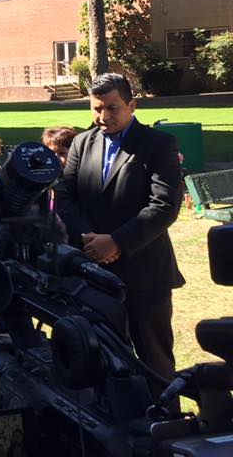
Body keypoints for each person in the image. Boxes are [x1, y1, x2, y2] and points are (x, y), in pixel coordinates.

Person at [55, 73, 184, 383]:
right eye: (97, 108)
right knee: (103, 361)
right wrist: (91, 241)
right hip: (92, 273)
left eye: (112, 108)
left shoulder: (158, 144)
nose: (103, 116)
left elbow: (164, 205)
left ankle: (162, 412)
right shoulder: (82, 143)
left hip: (144, 273)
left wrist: (116, 242)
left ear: (132, 105)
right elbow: (65, 196)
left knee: (155, 363)